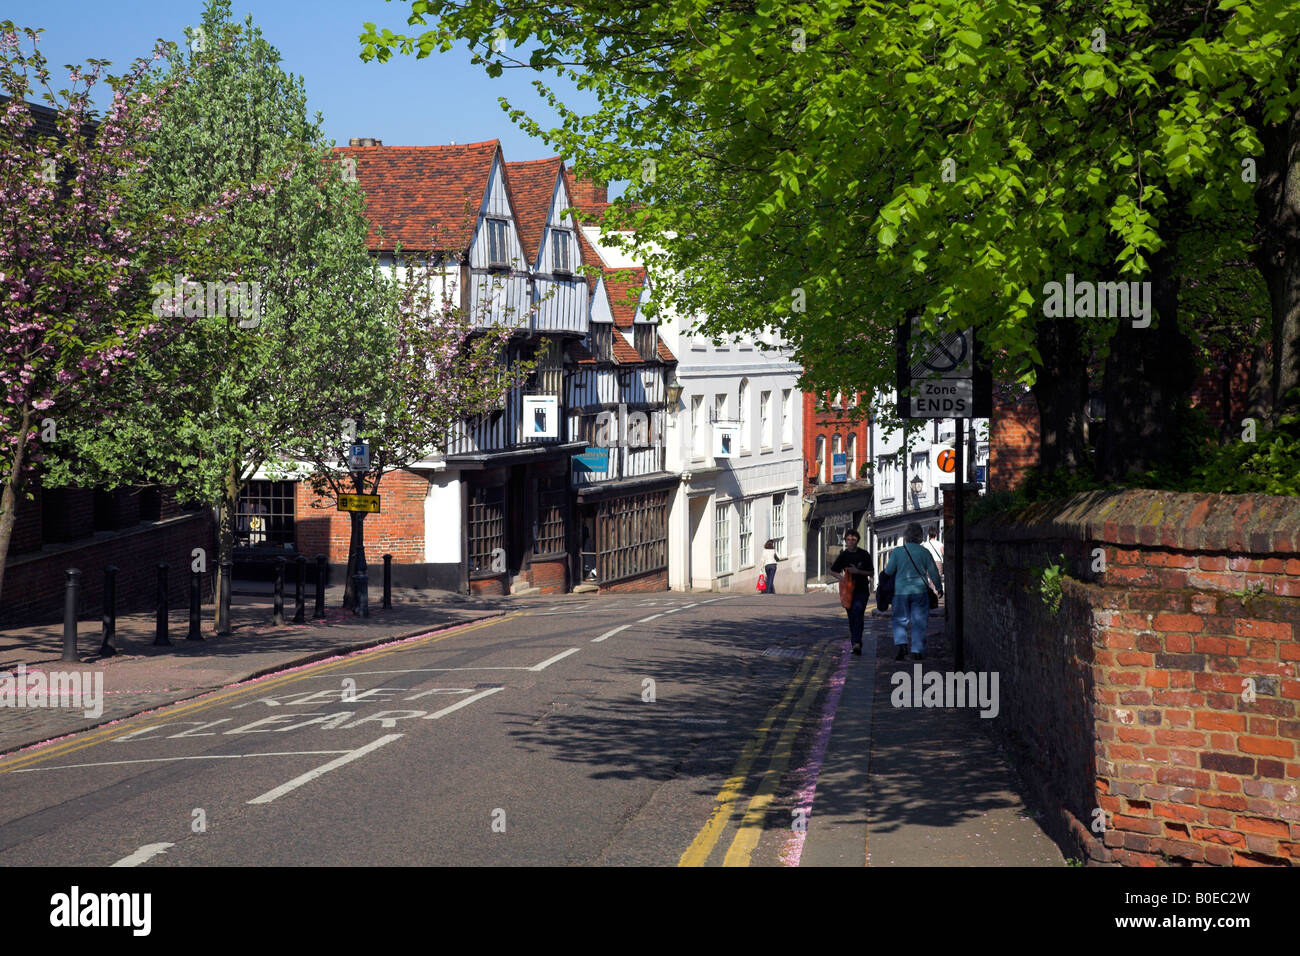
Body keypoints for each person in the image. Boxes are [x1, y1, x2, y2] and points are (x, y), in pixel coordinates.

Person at [882, 522, 943, 661]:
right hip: (920, 591)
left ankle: (902, 645)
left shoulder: (898, 551)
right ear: (920, 536)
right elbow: (933, 572)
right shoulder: (924, 552)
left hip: (900, 591)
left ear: (906, 536)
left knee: (899, 620)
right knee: (919, 621)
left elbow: (889, 570)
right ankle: (917, 651)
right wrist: (939, 588)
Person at [829, 530, 873, 656]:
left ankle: (857, 642)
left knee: (858, 612)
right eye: (848, 540)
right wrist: (841, 578)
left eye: (853, 540)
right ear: (845, 541)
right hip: (848, 590)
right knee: (852, 616)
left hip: (862, 589)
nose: (850, 542)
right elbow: (832, 571)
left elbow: (871, 573)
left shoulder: (864, 554)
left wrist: (857, 571)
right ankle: (855, 642)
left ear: (857, 541)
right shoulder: (844, 555)